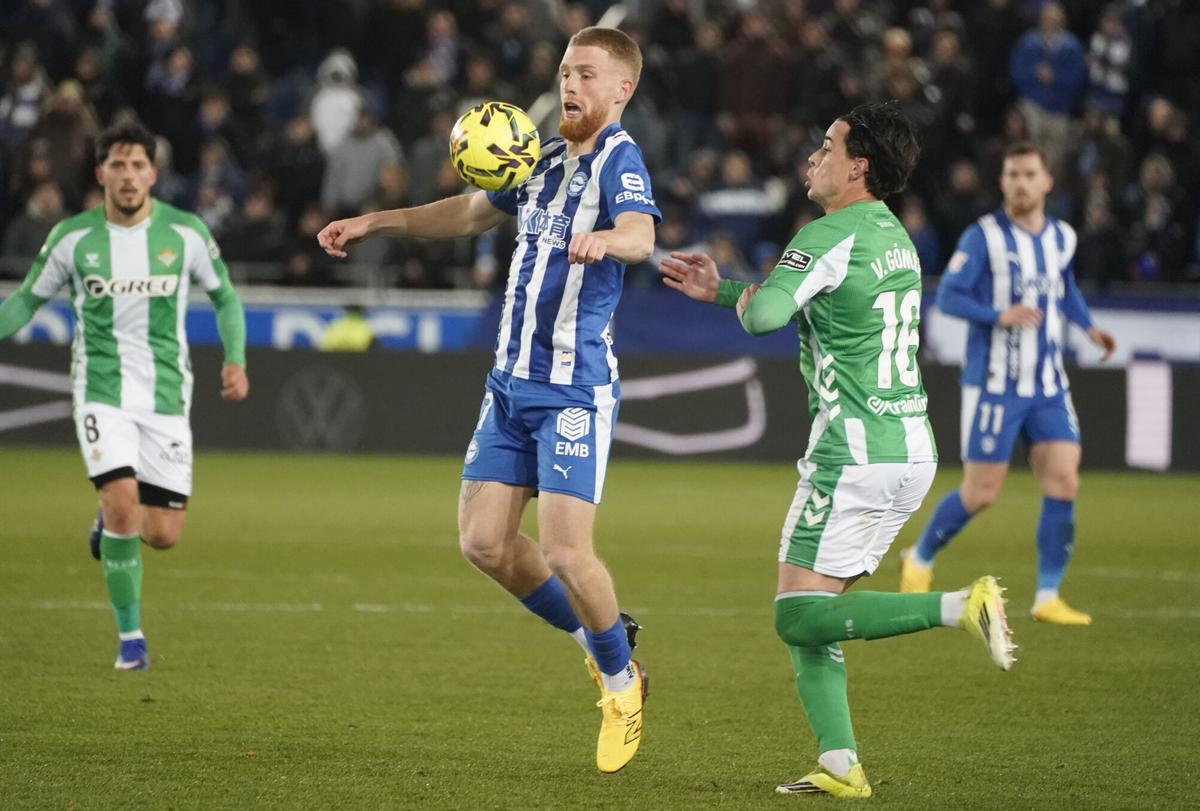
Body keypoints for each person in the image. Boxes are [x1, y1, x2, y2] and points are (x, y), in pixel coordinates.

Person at [316, 27, 659, 773]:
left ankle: (623, 682)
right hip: (508, 387)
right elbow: (472, 212)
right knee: (482, 543)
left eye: (588, 75)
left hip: (571, 389)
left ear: (620, 91)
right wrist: (379, 222)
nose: (571, 85)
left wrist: (611, 241)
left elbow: (639, 230)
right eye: (566, 71)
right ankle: (600, 642)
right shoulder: (537, 158)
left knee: (568, 549)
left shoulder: (618, 159)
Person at [659, 103, 1015, 799]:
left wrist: (743, 292)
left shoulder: (823, 233)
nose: (812, 157)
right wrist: (721, 288)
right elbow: (827, 302)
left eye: (827, 146)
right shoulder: (895, 236)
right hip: (909, 448)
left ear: (859, 166)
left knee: (794, 613)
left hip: (850, 453)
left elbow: (767, 316)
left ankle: (958, 605)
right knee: (815, 616)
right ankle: (841, 761)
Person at [0, 121, 248, 670]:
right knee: (120, 499)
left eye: (139, 165)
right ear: (100, 174)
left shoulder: (184, 234)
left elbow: (226, 298)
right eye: (118, 165)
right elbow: (23, 302)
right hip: (100, 389)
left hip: (166, 396)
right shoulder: (71, 238)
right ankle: (130, 638)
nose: (129, 175)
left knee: (161, 534)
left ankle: (109, 525)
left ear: (154, 174)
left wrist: (236, 359)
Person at [900, 142, 1117, 624]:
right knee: (981, 493)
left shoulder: (1062, 236)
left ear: (1047, 182)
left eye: (1029, 174)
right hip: (995, 383)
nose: (1021, 182)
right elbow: (949, 298)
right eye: (1013, 174)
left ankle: (1047, 597)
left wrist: (1087, 326)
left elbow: (1065, 288)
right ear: (1003, 183)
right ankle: (919, 559)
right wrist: (1000, 315)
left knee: (1063, 480)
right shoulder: (984, 237)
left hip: (1047, 384)